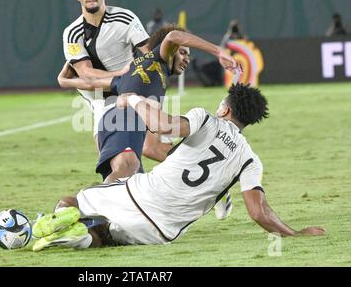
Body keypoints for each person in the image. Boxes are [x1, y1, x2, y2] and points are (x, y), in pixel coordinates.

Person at [31, 84, 326, 251]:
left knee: (73, 201)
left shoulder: (206, 118)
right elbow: (259, 212)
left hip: (139, 195)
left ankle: (61, 223)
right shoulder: (250, 160)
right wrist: (295, 233)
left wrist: (133, 99)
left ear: (224, 109)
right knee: (105, 236)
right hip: (161, 231)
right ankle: (80, 237)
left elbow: (160, 124)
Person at [58, 25, 238, 183]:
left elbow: (91, 84)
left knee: (131, 186)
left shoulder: (134, 70)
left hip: (111, 122)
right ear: (170, 50)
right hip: (124, 119)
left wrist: (64, 81)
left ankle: (84, 212)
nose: (187, 59)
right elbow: (174, 35)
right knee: (126, 170)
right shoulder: (156, 59)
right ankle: (85, 208)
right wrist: (219, 51)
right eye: (183, 52)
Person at [63, 0, 170, 163]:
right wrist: (122, 75)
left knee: (152, 148)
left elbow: (149, 53)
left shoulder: (125, 18)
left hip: (135, 91)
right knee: (113, 164)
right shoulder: (72, 33)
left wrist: (159, 75)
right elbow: (86, 73)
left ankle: (202, 175)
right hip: (101, 101)